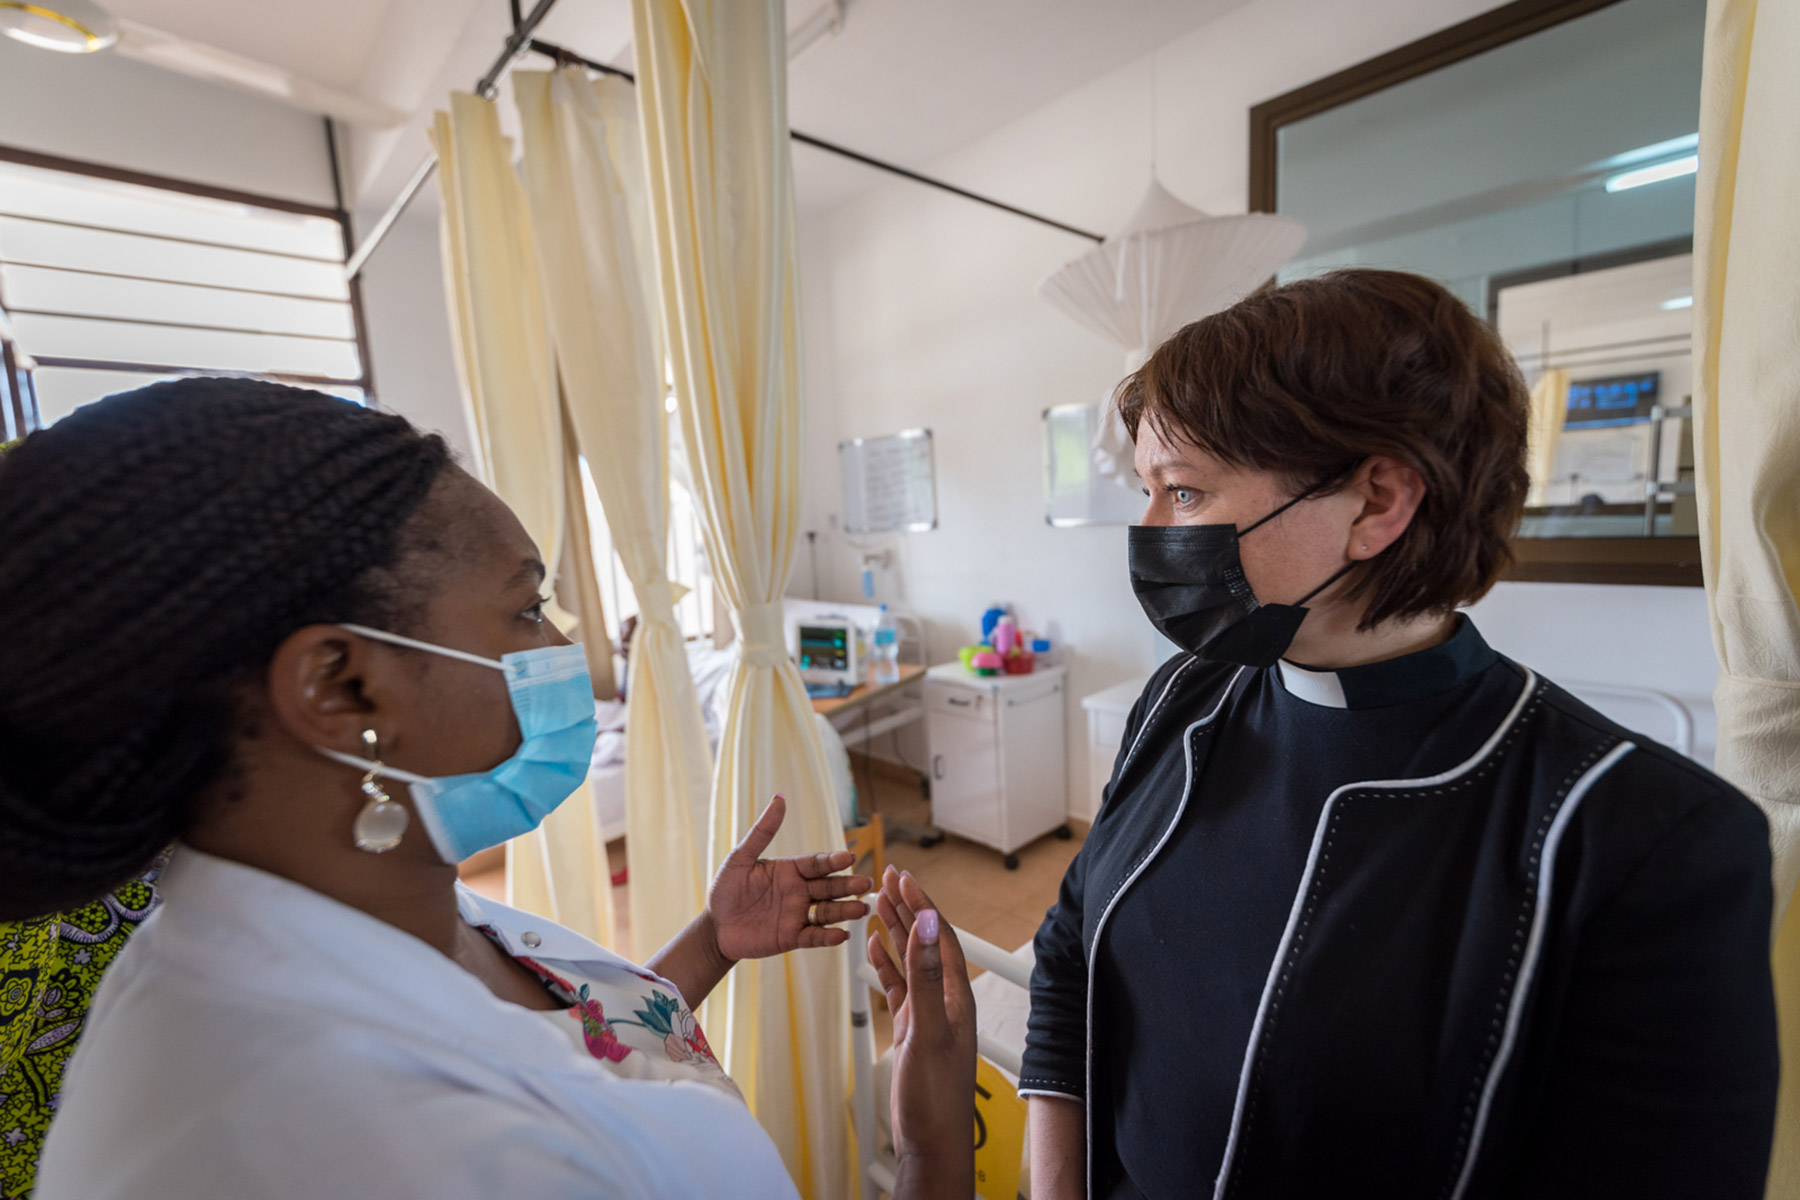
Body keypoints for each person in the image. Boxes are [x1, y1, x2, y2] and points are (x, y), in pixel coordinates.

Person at [0, 379, 975, 1199]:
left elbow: (554, 1046)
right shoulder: (411, 1153)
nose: (561, 649)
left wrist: (712, 945)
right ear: (342, 688)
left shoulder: (360, 895)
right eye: (524, 607)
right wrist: (933, 1145)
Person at [1019, 269, 1780, 1198]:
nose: (1146, 532)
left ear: (1378, 502)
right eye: (1145, 490)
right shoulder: (1185, 700)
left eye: (1181, 493)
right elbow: (1068, 953)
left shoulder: (1643, 844)